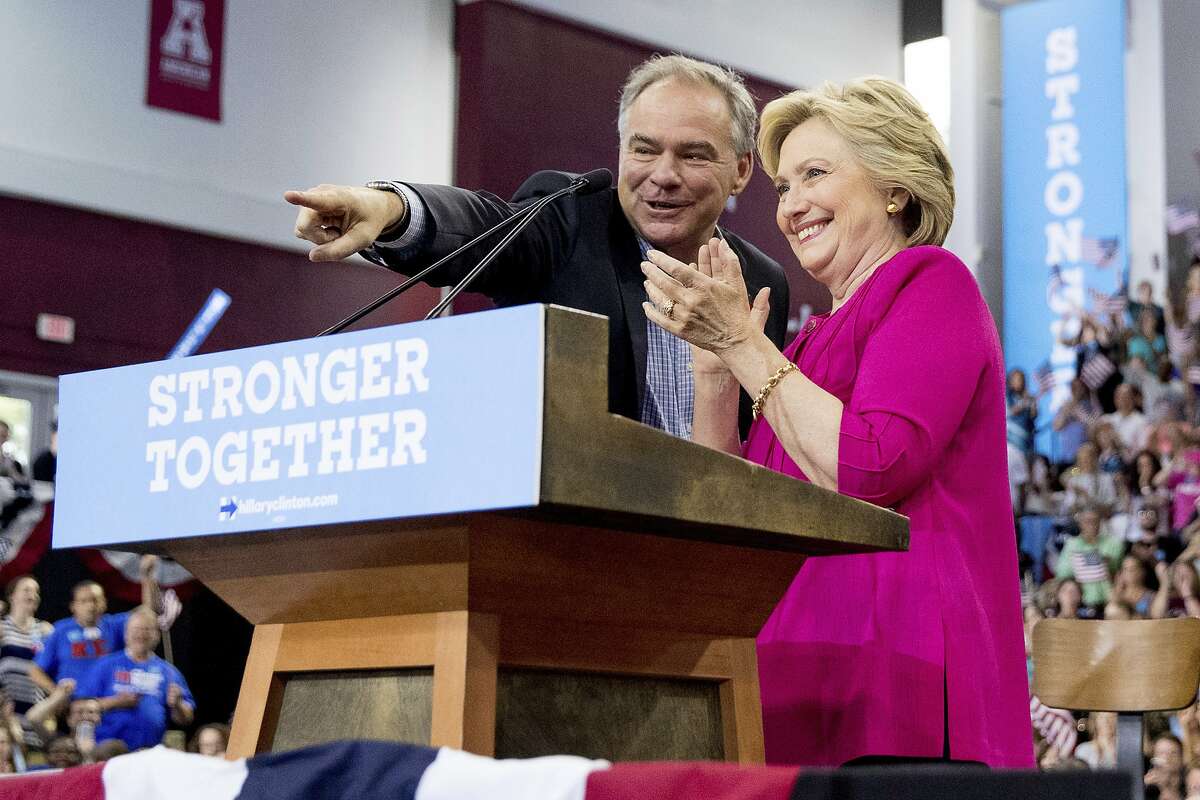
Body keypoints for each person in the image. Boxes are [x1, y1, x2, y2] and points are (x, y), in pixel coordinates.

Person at [640, 77, 1031, 766]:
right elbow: (730, 520)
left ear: (894, 187)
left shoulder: (931, 283)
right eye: (784, 187)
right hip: (792, 683)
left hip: (896, 688)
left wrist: (742, 344)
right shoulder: (804, 345)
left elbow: (871, 466)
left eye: (814, 174)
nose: (790, 207)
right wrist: (713, 373)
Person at [286, 55, 790, 439]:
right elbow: (483, 226)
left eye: (693, 155)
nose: (662, 175)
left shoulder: (764, 282)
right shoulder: (568, 219)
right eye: (644, 149)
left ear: (742, 169)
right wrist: (390, 210)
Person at [29, 555, 161, 695]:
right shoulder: (61, 630)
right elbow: (35, 670)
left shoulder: (113, 625)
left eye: (95, 600)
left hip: (109, 705)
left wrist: (147, 576)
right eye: (84, 601)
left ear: (104, 603)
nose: (90, 606)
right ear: (73, 606)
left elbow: (148, 612)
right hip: (74, 707)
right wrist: (57, 695)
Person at [75, 609, 194, 751]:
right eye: (136, 629)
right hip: (107, 751)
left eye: (147, 629)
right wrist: (115, 702)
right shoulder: (105, 665)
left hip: (149, 752)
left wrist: (178, 704)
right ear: (125, 634)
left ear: (157, 635)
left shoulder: (169, 672)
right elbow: (78, 707)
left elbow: (186, 719)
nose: (141, 634)